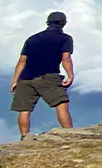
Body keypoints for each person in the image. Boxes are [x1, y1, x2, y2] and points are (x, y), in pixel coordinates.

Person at [10, 11, 75, 139]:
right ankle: (69, 134)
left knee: (24, 109)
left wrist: (15, 80)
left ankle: (24, 137)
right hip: (48, 77)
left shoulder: (32, 39)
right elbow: (65, 58)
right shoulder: (65, 39)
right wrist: (70, 75)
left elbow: (22, 60)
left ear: (47, 23)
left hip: (25, 78)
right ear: (63, 24)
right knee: (61, 103)